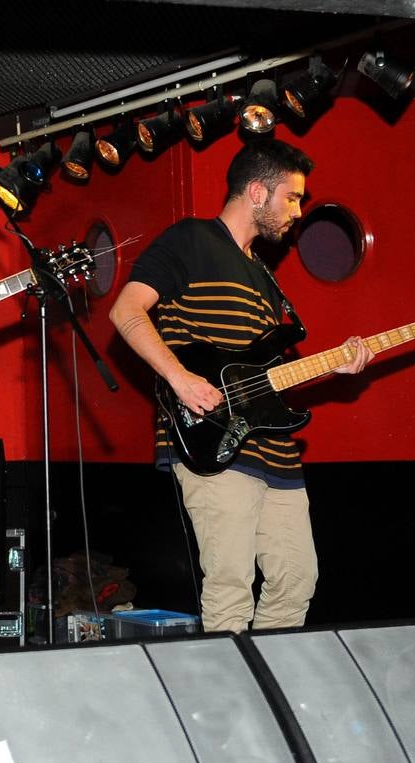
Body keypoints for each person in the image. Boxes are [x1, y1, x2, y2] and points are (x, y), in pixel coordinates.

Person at [107, 138, 373, 635]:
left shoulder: (264, 275)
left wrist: (333, 366)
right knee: (230, 586)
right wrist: (181, 378)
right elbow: (125, 310)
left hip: (275, 448)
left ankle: (271, 689)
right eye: (291, 197)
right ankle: (231, 707)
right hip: (212, 438)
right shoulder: (189, 240)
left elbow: (264, 372)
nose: (298, 210)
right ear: (256, 191)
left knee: (296, 580)